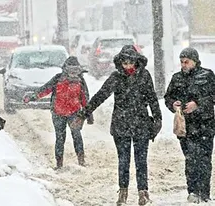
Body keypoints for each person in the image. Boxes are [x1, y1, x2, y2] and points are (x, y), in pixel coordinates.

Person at [74, 45, 162, 205]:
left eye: (131, 63)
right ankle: (123, 192)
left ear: (137, 62)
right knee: (123, 160)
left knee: (141, 160)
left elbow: (152, 98)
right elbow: (100, 95)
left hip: (141, 123)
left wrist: (158, 118)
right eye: (125, 63)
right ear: (120, 63)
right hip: (121, 125)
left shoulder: (144, 76)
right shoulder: (116, 78)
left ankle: (143, 192)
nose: (128, 66)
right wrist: (84, 113)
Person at [164, 47, 215, 203]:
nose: (184, 65)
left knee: (204, 159)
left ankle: (204, 192)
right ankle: (192, 191)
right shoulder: (177, 78)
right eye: (181, 62)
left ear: (195, 61)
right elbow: (168, 97)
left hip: (205, 124)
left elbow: (213, 96)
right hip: (186, 126)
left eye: (187, 62)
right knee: (191, 158)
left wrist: (197, 104)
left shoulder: (207, 76)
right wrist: (173, 104)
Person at [23, 56, 93, 169]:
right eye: (70, 69)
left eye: (75, 70)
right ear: (65, 69)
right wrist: (32, 97)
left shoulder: (80, 81)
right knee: (61, 138)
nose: (72, 73)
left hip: (73, 113)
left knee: (76, 135)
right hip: (58, 113)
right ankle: (59, 163)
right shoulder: (58, 79)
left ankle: (80, 161)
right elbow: (45, 89)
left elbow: (85, 99)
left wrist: (88, 114)